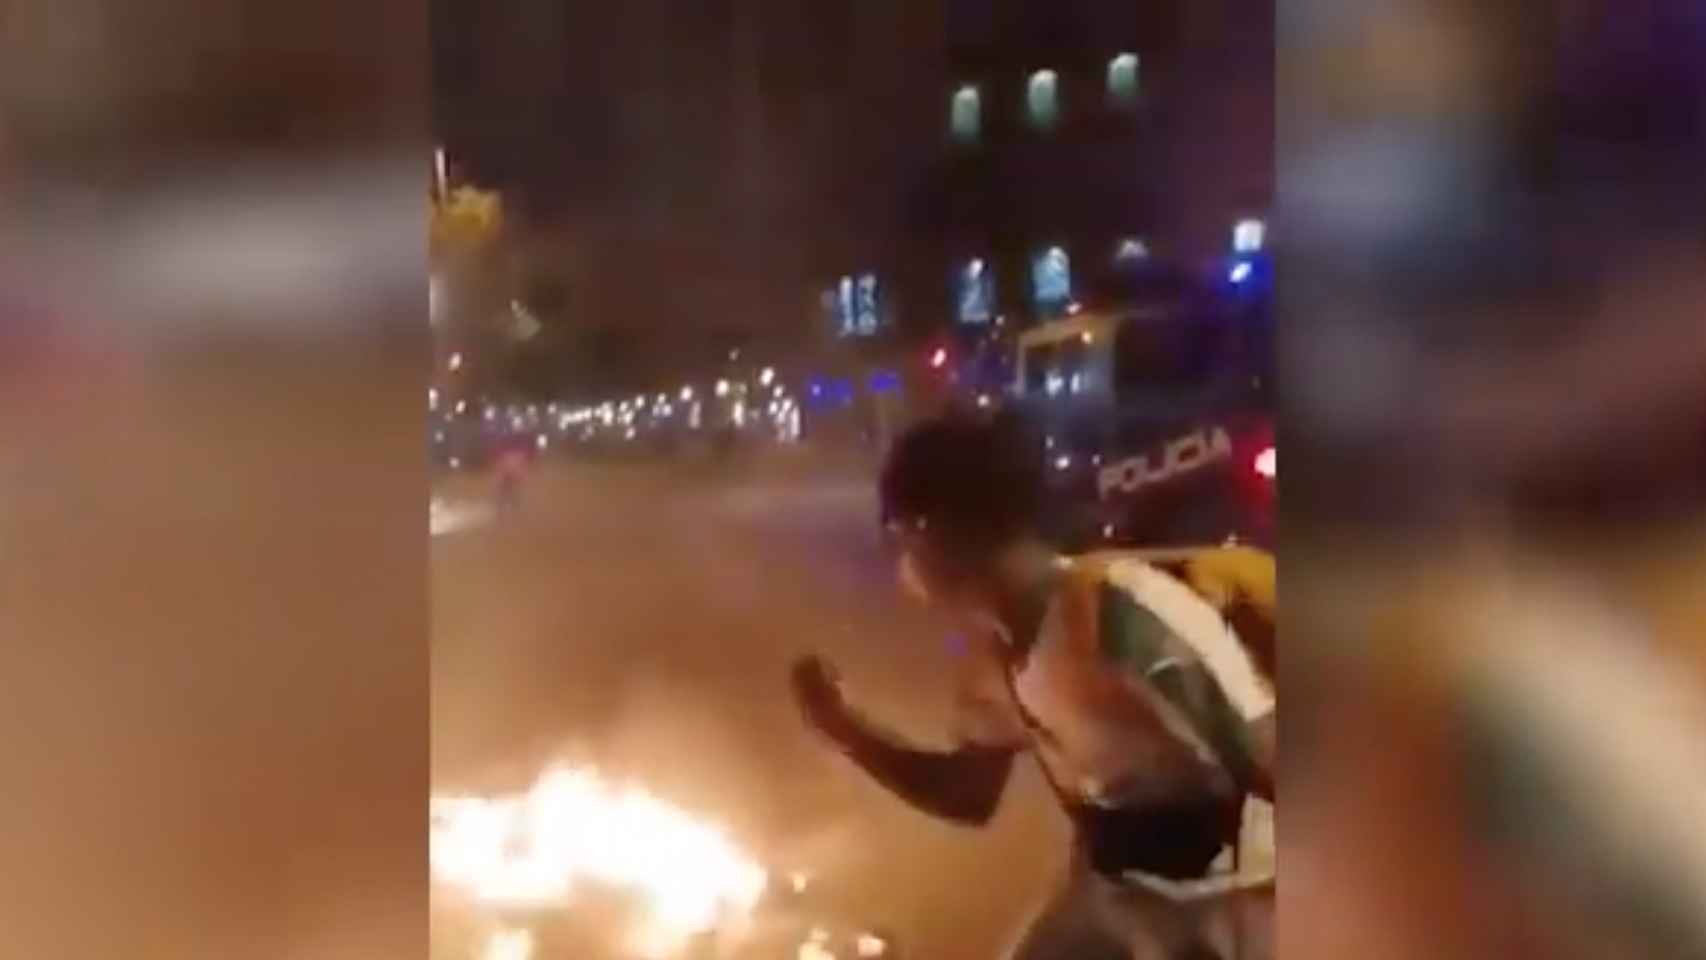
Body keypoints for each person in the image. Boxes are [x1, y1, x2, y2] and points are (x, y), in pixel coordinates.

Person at [790, 415, 1274, 960]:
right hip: (1112, 900)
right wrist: (846, 730)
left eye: (901, 539)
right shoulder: (995, 653)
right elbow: (968, 794)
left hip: (1232, 908)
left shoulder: (1119, 612)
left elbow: (1271, 753)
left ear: (932, 531)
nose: (902, 567)